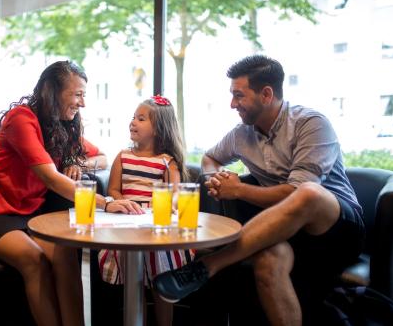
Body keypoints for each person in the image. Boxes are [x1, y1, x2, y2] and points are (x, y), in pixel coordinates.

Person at [153, 55, 365, 325]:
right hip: (285, 231)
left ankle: (208, 265)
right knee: (268, 262)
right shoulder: (242, 133)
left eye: (239, 95)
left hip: (336, 229)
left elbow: (297, 190)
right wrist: (216, 179)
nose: (232, 104)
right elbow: (210, 158)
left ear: (266, 94)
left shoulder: (311, 123)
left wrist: (238, 190)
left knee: (308, 193)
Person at [0, 61, 143, 326]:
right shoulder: (21, 119)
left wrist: (75, 163)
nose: (83, 103)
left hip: (29, 215)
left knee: (65, 255)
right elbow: (50, 177)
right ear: (53, 91)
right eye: (78, 94)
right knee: (34, 260)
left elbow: (102, 157)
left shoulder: (63, 125)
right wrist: (106, 203)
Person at [98, 95, 193, 326]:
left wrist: (165, 206)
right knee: (135, 284)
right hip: (127, 226)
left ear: (159, 129)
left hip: (154, 227)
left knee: (162, 284)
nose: (133, 122)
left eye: (141, 119)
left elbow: (174, 194)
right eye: (133, 117)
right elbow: (113, 190)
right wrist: (124, 203)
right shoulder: (123, 157)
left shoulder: (167, 162)